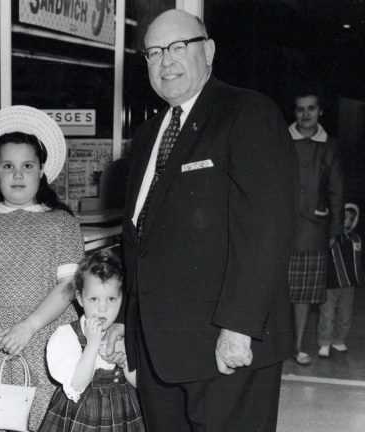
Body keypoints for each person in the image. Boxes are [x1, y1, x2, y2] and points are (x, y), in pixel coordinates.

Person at [121, 10, 297, 431]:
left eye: (179, 47)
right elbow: (142, 238)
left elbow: (266, 228)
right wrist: (128, 327)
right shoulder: (148, 136)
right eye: (154, 52)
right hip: (160, 352)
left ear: (210, 51)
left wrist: (239, 327)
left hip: (226, 345)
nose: (167, 62)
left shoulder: (247, 112)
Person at [0, 105, 85, 430]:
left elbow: (69, 285)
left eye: (27, 165)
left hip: (47, 338)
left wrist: (27, 327)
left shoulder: (61, 223)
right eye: (8, 166)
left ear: (42, 170)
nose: (18, 174)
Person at [39, 249, 144, 432]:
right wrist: (92, 345)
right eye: (94, 299)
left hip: (124, 417)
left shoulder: (126, 334)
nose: (102, 308)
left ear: (121, 298)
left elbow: (139, 385)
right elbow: (76, 386)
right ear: (80, 298)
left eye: (111, 299)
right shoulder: (67, 335)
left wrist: (125, 361)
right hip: (81, 419)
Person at [287, 82, 344, 365]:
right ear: (295, 112)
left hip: (314, 232)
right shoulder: (280, 140)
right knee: (275, 291)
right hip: (281, 231)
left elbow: (336, 192)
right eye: (300, 109)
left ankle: (296, 348)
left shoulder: (330, 147)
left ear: (320, 112)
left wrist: (334, 231)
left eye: (311, 108)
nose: (305, 114)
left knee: (303, 295)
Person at [318, 203, 361, 357]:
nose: (347, 222)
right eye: (344, 218)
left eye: (351, 219)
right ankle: (324, 342)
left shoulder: (357, 239)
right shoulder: (328, 237)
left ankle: (339, 340)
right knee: (327, 315)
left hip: (349, 285)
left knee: (345, 314)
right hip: (329, 285)